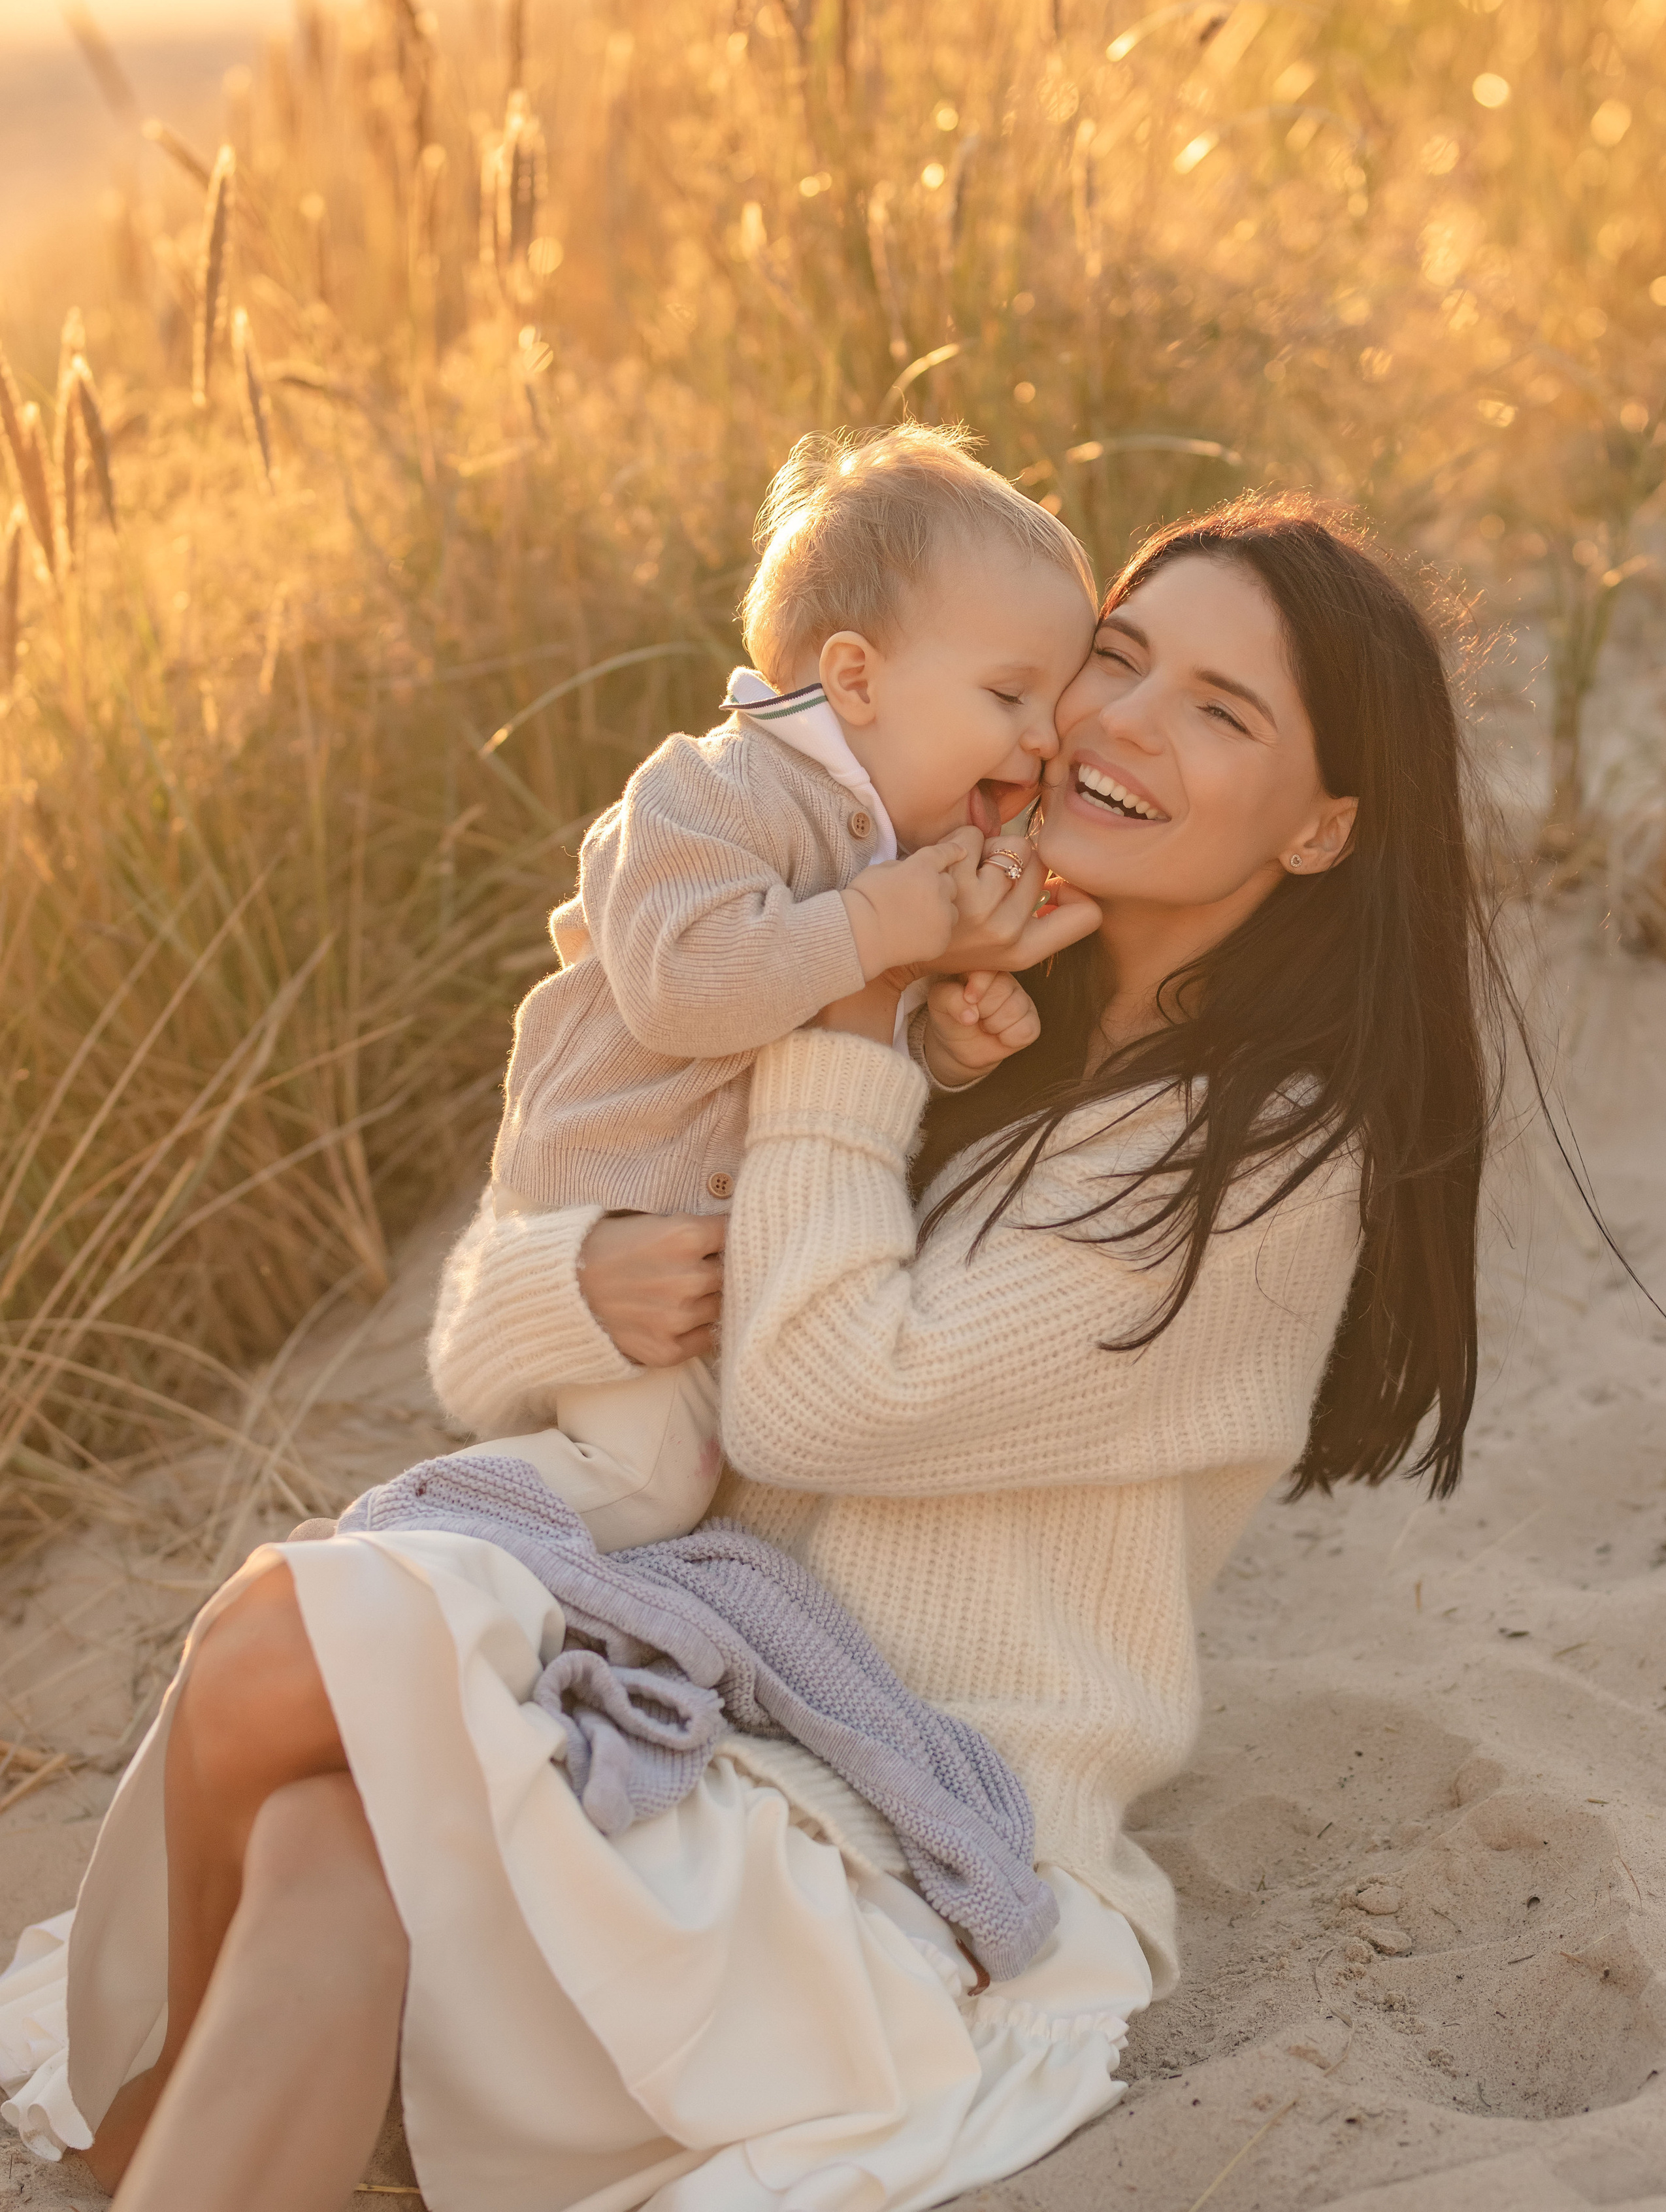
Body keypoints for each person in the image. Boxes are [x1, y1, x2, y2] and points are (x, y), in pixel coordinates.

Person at [0, 496, 1502, 2212]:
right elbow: (510, 1307)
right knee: (316, 1829)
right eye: (1118, 659)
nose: (1121, 726)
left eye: (1222, 712)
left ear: (1320, 830)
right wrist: (594, 1274)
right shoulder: (998, 997)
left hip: (900, 1839)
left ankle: (147, 2134)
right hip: (715, 1691)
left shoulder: (1257, 1159)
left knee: (294, 1659)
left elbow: (818, 1396)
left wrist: (860, 999)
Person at [447, 420, 1097, 1547]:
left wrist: (941, 1045)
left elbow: (830, 1076)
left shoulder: (899, 859)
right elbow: (685, 991)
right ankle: (404, 1540)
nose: (1044, 742)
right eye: (1010, 697)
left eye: (1056, 706)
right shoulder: (709, 794)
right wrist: (865, 928)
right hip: (616, 1204)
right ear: (854, 678)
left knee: (713, 1489)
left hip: (723, 1262)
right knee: (650, 1484)